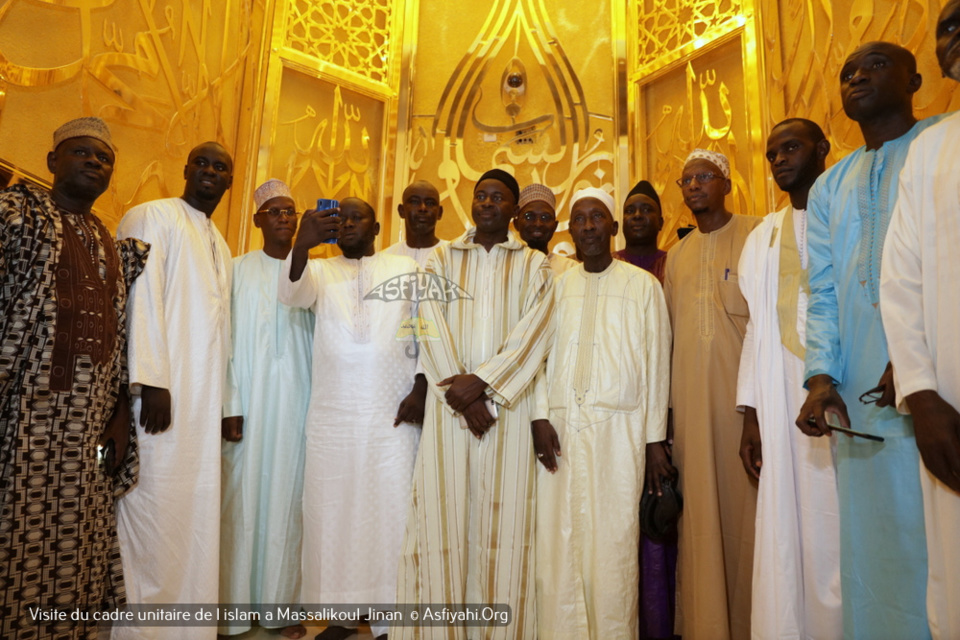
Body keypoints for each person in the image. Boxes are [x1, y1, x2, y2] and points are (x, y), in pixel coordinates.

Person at [796, 42, 947, 639]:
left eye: (875, 65)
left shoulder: (942, 146)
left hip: (943, 379)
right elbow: (825, 290)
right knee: (872, 542)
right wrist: (821, 380)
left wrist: (918, 361)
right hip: (860, 396)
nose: (857, 77)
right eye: (846, 73)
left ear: (915, 78)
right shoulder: (831, 186)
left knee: (941, 538)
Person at [0, 117, 148, 639]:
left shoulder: (111, 243)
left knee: (76, 540)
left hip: (88, 429)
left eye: (103, 157)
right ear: (52, 162)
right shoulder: (18, 214)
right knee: (19, 535)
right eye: (81, 153)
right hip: (23, 417)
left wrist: (119, 418)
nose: (94, 162)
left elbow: (123, 336)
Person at [395, 169, 555, 639]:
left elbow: (536, 332)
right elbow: (429, 321)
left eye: (498, 197)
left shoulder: (533, 265)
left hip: (508, 408)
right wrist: (461, 398)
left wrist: (484, 383)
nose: (487, 203)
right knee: (445, 519)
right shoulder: (442, 258)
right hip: (452, 414)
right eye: (480, 196)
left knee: (506, 526)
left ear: (513, 210)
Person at [279, 197, 421, 640]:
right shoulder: (320, 270)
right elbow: (291, 294)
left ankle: (387, 621)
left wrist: (421, 385)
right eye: (341, 218)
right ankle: (341, 616)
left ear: (377, 228)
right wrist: (302, 245)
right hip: (334, 414)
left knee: (389, 509)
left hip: (391, 414)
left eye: (358, 217)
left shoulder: (405, 272)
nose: (349, 224)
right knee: (334, 509)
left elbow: (424, 329)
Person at [532, 187, 671, 639]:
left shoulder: (643, 286)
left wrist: (653, 440)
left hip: (621, 432)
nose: (588, 226)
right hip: (561, 431)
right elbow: (536, 357)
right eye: (579, 219)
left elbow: (657, 363)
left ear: (612, 228)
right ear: (569, 230)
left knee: (613, 546)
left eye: (597, 218)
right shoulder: (555, 285)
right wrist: (538, 417)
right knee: (560, 543)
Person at [113, 141, 234, 640]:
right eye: (201, 162)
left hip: (202, 407)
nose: (209, 171)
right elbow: (138, 296)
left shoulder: (220, 243)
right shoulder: (150, 216)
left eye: (220, 167)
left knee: (194, 515)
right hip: (156, 401)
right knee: (151, 510)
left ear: (230, 181)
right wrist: (152, 379)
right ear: (184, 169)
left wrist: (225, 405)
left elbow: (220, 333)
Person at [736, 119, 841, 639]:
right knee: (788, 527)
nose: (779, 159)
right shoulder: (760, 238)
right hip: (778, 401)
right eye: (772, 152)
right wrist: (751, 414)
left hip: (842, 391)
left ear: (823, 148)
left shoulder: (846, 211)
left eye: (791, 147)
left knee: (841, 527)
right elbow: (757, 326)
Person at [880, 8, 960, 637]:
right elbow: (899, 281)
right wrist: (924, 395)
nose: (953, 36)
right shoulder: (933, 147)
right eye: (946, 25)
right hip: (948, 406)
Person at [663, 148, 760, 640]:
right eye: (687, 180)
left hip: (746, 413)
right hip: (691, 418)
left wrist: (758, 412)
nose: (695, 186)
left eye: (705, 176)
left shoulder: (757, 235)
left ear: (727, 183)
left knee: (751, 519)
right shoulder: (675, 257)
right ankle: (707, 627)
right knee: (699, 517)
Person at [218, 180, 314, 638]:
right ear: (258, 219)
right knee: (241, 501)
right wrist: (229, 402)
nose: (284, 218)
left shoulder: (314, 272)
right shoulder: (235, 270)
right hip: (247, 406)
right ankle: (232, 610)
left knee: (288, 503)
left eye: (290, 211)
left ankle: (282, 608)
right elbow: (224, 343)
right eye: (274, 211)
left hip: (299, 404)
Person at [513, 183, 577, 275]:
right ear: (516, 224)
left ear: (555, 226)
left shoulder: (570, 269)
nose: (538, 224)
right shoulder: (503, 267)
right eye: (529, 216)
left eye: (545, 217)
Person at [383, 179, 449, 267]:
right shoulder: (386, 259)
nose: (423, 208)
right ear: (401, 211)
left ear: (439, 213)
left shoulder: (453, 256)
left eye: (430, 203)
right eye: (415, 202)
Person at [615, 180, 667, 282]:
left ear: (660, 223)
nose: (637, 215)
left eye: (646, 210)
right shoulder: (610, 264)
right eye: (630, 211)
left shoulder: (672, 264)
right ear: (622, 222)